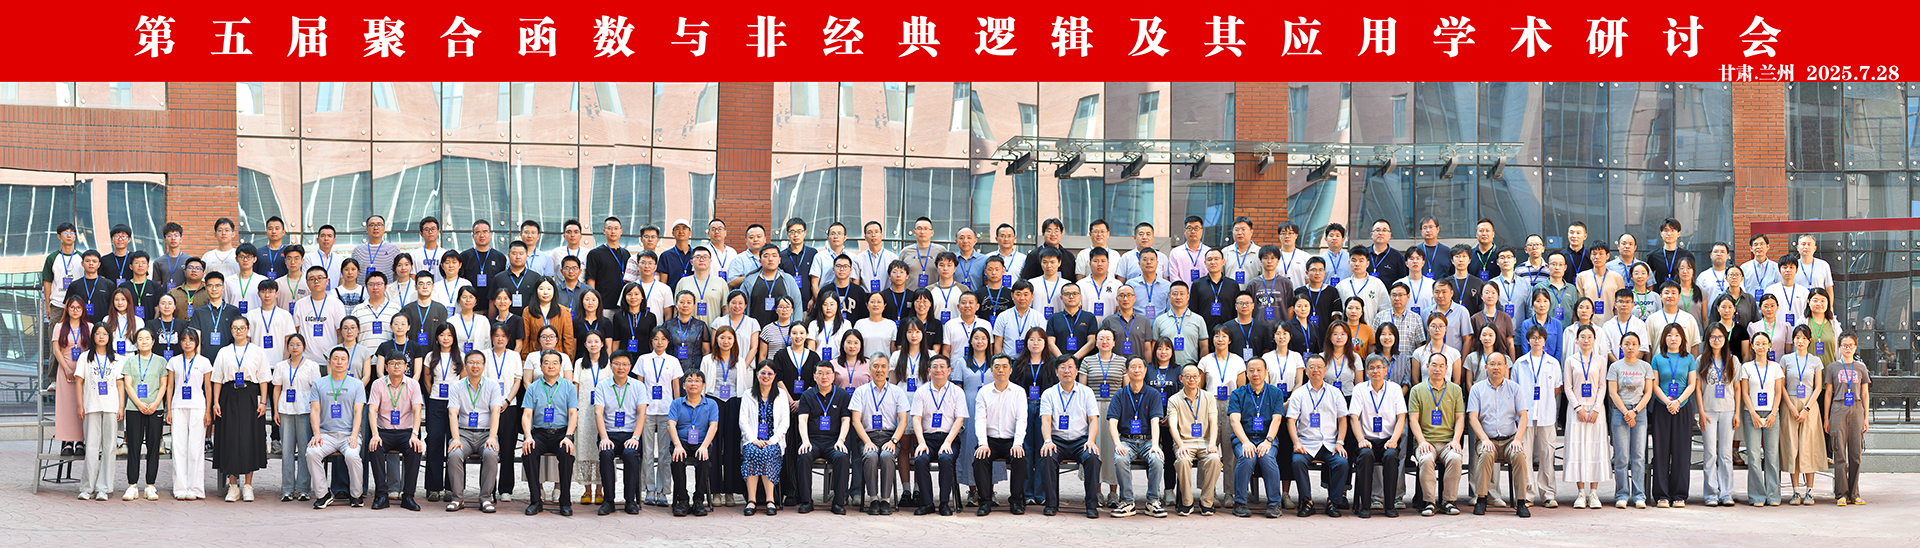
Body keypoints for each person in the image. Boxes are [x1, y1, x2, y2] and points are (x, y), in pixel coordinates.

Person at [1465, 353, 1532, 517]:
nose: (1496, 367)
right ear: (1486, 367)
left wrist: (1518, 439)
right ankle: (1481, 500)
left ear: (1506, 367)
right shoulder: (1477, 389)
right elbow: (1473, 417)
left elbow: (1523, 416)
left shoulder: (1515, 388)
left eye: (1500, 364)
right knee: (1486, 453)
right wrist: (1484, 439)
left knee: (1519, 455)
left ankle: (1521, 502)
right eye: (1492, 364)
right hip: (1487, 440)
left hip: (1510, 440)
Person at [210, 316, 269, 502]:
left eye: (242, 328)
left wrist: (263, 402)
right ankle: (233, 486)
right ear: (231, 330)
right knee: (229, 439)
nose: (239, 331)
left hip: (250, 395)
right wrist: (216, 402)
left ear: (248, 329)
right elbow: (217, 379)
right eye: (235, 328)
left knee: (249, 438)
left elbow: (264, 379)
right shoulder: (224, 352)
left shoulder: (257, 351)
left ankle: (248, 486)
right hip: (228, 395)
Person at [1036, 357, 1102, 518]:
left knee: (1093, 458)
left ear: (1077, 371)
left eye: (1070, 367)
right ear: (1056, 372)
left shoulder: (1086, 392)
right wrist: (1048, 441)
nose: (1067, 371)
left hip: (1081, 441)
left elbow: (1093, 420)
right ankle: (1051, 504)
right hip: (1057, 440)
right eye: (1063, 367)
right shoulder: (1049, 394)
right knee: (1047, 456)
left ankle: (1091, 505)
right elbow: (1046, 421)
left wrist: (1091, 441)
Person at [1286, 356, 1350, 518]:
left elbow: (1343, 419)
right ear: (1306, 371)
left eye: (1319, 366)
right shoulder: (1299, 394)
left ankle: (1333, 502)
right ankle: (1307, 501)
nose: (1316, 370)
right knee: (1298, 462)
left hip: (1330, 444)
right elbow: (1291, 421)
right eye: (1312, 367)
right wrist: (1296, 443)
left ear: (1325, 370)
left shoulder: (1335, 393)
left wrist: (1340, 442)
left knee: (1342, 463)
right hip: (1306, 443)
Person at [305, 346, 366, 509]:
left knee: (352, 455)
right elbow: (315, 410)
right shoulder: (319, 384)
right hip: (326, 435)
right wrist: (316, 434)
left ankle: (356, 495)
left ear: (348, 363)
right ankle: (323, 494)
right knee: (311, 453)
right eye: (336, 358)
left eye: (343, 359)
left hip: (348, 435)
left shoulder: (357, 384)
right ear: (329, 362)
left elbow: (358, 412)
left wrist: (354, 435)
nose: (339, 362)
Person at [519, 350, 579, 516]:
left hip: (561, 433)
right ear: (541, 367)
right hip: (539, 433)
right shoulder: (533, 387)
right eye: (546, 363)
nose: (550, 366)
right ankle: (535, 501)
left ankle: (565, 502)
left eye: (554, 363)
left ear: (560, 366)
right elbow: (527, 415)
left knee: (566, 452)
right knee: (528, 451)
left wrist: (568, 436)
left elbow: (573, 414)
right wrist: (528, 437)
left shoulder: (569, 387)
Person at [1227, 354, 1286, 518]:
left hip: (1267, 438)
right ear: (1246, 373)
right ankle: (1239, 503)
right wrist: (1245, 442)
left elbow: (1277, 419)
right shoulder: (1238, 393)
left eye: (1259, 370)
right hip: (1243, 438)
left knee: (1267, 458)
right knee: (1247, 457)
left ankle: (1274, 504)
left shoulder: (1275, 393)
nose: (1255, 374)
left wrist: (1268, 441)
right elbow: (1234, 421)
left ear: (1266, 372)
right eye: (1251, 370)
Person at [852, 351, 910, 515]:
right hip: (867, 437)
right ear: (869, 369)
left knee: (886, 456)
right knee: (870, 456)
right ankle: (873, 499)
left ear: (888, 369)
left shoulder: (897, 392)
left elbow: (903, 421)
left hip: (889, 437)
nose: (879, 370)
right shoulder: (860, 391)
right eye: (875, 366)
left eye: (883, 366)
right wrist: (867, 442)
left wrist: (893, 441)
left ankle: (885, 500)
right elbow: (856, 420)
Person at [365, 354, 425, 512]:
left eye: (400, 363)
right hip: (384, 431)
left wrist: (415, 434)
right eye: (392, 363)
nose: (396, 366)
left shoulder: (413, 384)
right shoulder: (378, 384)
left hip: (406, 432)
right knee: (374, 448)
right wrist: (375, 434)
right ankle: (381, 495)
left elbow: (417, 411)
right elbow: (372, 411)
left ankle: (408, 496)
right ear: (386, 367)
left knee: (415, 449)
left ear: (406, 367)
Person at [447, 350, 504, 513]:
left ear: (484, 366)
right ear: (465, 365)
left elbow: (496, 411)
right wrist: (456, 438)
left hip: (486, 434)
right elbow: (452, 413)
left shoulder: (493, 385)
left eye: (478, 362)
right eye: (471, 362)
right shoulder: (457, 386)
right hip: (463, 434)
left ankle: (486, 498)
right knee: (454, 454)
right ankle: (457, 498)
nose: (475, 366)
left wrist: (492, 437)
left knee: (491, 454)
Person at [1409, 352, 1466, 516]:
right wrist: (1421, 442)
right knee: (1426, 459)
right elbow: (1413, 420)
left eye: (1441, 366)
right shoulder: (1417, 390)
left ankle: (1448, 501)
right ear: (1427, 367)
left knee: (1455, 457)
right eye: (1434, 365)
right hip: (1426, 442)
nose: (1437, 369)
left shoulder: (1455, 390)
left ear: (1447, 369)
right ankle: (1429, 502)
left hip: (1448, 442)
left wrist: (1456, 440)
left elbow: (1460, 418)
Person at [1648, 324, 1698, 507]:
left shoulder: (1689, 358)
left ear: (1682, 338)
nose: (1673, 338)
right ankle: (1661, 495)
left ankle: (1679, 494)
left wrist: (1678, 401)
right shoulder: (1657, 358)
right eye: (1669, 335)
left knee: (1681, 452)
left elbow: (1692, 384)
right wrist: (1667, 402)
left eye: (1677, 335)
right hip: (1662, 408)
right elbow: (1654, 384)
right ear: (1664, 338)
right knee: (1661, 451)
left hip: (1682, 407)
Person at [1348, 355, 1405, 518]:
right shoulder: (1359, 389)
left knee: (1391, 457)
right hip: (1367, 440)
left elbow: (1401, 417)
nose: (1375, 371)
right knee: (1365, 456)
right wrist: (1361, 440)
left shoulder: (1395, 389)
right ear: (1366, 372)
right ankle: (1365, 506)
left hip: (1388, 440)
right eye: (1371, 368)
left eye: (1379, 367)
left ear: (1385, 370)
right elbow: (1354, 417)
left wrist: (1394, 440)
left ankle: (1389, 506)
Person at [586, 351, 641, 515]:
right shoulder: (602, 386)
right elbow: (598, 412)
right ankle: (608, 501)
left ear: (630, 366)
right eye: (617, 364)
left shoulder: (638, 386)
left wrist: (635, 437)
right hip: (608, 433)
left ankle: (630, 500)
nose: (620, 368)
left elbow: (642, 413)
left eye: (624, 364)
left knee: (630, 454)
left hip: (630, 434)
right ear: (610, 366)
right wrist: (604, 438)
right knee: (605, 453)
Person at [912, 354, 967, 516]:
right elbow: (916, 418)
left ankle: (944, 503)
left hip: (949, 439)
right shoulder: (921, 391)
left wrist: (948, 442)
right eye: (935, 367)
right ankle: (927, 503)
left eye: (942, 366)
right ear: (929, 370)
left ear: (949, 370)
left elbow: (959, 420)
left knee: (946, 459)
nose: (938, 370)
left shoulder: (957, 392)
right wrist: (921, 442)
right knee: (920, 459)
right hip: (927, 439)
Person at [1513, 326, 1562, 508]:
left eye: (1540, 338)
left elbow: (1557, 387)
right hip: (1525, 415)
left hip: (1546, 414)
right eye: (1533, 337)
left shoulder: (1552, 363)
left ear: (1544, 340)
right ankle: (1527, 494)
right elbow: (1515, 390)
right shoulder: (1520, 363)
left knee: (1547, 454)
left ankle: (1548, 493)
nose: (1536, 341)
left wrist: (1544, 402)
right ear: (1528, 340)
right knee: (1524, 455)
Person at [795, 363, 853, 514]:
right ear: (814, 376)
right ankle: (806, 501)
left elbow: (846, 420)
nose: (824, 376)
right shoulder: (807, 395)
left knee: (842, 456)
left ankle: (838, 502)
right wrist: (805, 441)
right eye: (820, 373)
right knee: (804, 455)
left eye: (828, 373)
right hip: (812, 440)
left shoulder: (842, 395)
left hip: (833, 441)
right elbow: (802, 420)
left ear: (833, 376)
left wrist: (841, 440)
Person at [699, 326, 747, 506]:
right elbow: (703, 386)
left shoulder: (740, 361)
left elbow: (743, 386)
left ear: (734, 341)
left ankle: (730, 491)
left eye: (729, 338)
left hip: (733, 403)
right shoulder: (707, 360)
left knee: (732, 447)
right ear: (716, 340)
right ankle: (715, 491)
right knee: (715, 446)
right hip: (714, 402)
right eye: (722, 338)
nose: (726, 341)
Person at [1779, 325, 1827, 505]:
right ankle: (1795, 491)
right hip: (1790, 403)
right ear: (1793, 340)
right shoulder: (1786, 359)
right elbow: (1781, 386)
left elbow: (1818, 387)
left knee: (1808, 446)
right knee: (1792, 446)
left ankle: (1810, 491)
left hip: (1810, 405)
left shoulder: (1816, 361)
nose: (1800, 341)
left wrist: (1806, 409)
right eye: (1797, 337)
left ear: (1809, 340)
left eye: (1804, 338)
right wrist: (1791, 407)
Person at [1166, 364, 1222, 516]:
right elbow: (1172, 426)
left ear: (1199, 378)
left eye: (1195, 376)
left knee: (1215, 459)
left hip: (1205, 442)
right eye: (1188, 376)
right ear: (1181, 379)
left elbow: (1214, 422)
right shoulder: (1174, 400)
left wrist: (1212, 443)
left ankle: (1206, 502)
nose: (1192, 379)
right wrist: (1180, 445)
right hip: (1184, 442)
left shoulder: (1209, 397)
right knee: (1182, 460)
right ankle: (1187, 502)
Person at [72, 325, 120, 501]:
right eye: (98, 333)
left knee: (109, 448)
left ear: (109, 337)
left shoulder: (116, 359)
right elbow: (79, 382)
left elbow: (120, 384)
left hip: (111, 407)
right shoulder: (85, 357)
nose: (101, 337)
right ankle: (87, 487)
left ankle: (103, 488)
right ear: (93, 336)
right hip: (91, 406)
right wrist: (80, 405)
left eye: (104, 334)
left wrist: (121, 407)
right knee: (91, 447)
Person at [1606, 331, 1653, 508]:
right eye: (1626, 344)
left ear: (1639, 346)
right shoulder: (1615, 367)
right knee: (1621, 457)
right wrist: (1626, 412)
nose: (1630, 347)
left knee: (1638, 456)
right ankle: (1622, 494)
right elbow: (1613, 392)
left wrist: (1635, 411)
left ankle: (1639, 495)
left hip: (1639, 413)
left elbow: (1648, 392)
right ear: (1621, 346)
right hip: (1620, 412)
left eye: (1634, 344)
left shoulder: (1645, 367)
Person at [270, 333, 320, 502]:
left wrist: (315, 412)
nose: (295, 347)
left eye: (298, 344)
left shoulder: (312, 366)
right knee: (287, 451)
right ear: (287, 347)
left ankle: (303, 488)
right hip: (285, 410)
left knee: (306, 451)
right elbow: (277, 389)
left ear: (304, 346)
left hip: (305, 410)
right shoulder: (281, 366)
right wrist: (275, 411)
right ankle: (287, 489)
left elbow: (316, 390)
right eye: (291, 344)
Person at [637, 327, 684, 506]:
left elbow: (676, 387)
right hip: (647, 411)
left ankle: (663, 490)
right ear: (651, 341)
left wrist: (678, 409)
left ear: (668, 342)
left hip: (666, 410)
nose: (659, 342)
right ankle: (649, 489)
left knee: (665, 453)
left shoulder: (673, 361)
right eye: (656, 338)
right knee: (647, 451)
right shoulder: (643, 359)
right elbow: (640, 386)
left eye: (663, 339)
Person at [1697, 325, 1741, 507]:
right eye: (1713, 337)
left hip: (1728, 410)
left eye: (1720, 337)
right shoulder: (1701, 360)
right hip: (1708, 411)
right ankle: (1711, 493)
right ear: (1707, 339)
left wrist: (1737, 412)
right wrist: (1700, 411)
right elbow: (1698, 389)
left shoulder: (1733, 360)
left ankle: (1726, 492)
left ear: (1725, 339)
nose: (1717, 340)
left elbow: (1737, 388)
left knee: (1725, 454)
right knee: (1710, 453)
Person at [740, 362, 790, 515]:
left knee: (767, 453)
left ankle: (770, 500)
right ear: (757, 375)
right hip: (752, 440)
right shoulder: (748, 394)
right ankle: (751, 500)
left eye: (769, 373)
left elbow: (785, 422)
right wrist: (753, 440)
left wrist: (773, 440)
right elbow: (743, 420)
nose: (766, 376)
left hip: (774, 440)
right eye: (763, 373)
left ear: (774, 376)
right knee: (752, 452)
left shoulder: (781, 395)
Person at [668, 370, 721, 516]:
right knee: (677, 460)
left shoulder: (711, 404)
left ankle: (699, 500)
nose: (693, 383)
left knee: (703, 461)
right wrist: (677, 445)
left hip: (702, 442)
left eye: (697, 381)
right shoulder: (676, 403)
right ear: (683, 385)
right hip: (681, 442)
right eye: (689, 380)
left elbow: (713, 426)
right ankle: (682, 500)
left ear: (703, 385)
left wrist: (704, 446)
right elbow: (671, 425)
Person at [1741, 332, 1785, 506]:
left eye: (1764, 343)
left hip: (1771, 413)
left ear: (1769, 346)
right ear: (1752, 346)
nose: (1761, 347)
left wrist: (1773, 413)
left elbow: (1779, 392)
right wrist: (1753, 413)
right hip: (1751, 413)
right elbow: (1744, 392)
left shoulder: (1775, 367)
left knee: (1772, 455)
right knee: (1753, 455)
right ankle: (1757, 496)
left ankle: (1773, 495)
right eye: (1757, 344)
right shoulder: (1746, 367)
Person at [1825, 332, 1869, 506]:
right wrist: (1826, 418)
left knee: (1856, 454)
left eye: (1851, 345)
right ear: (1839, 347)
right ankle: (1841, 494)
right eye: (1844, 345)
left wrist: (1866, 417)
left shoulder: (1861, 368)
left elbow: (1865, 394)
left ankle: (1854, 493)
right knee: (1840, 454)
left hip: (1856, 409)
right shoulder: (1832, 367)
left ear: (1855, 347)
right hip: (1838, 408)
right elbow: (1828, 393)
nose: (1848, 348)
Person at [572, 333, 612, 506]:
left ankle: (600, 490)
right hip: (584, 412)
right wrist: (574, 410)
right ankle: (587, 490)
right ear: (585, 344)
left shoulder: (608, 364)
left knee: (600, 450)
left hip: (604, 412)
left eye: (596, 341)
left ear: (602, 344)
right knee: (585, 449)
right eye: (590, 342)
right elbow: (576, 387)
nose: (593, 344)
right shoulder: (579, 364)